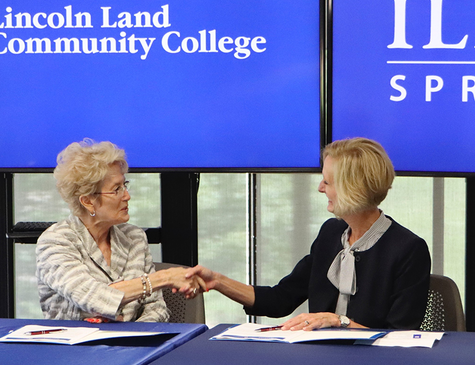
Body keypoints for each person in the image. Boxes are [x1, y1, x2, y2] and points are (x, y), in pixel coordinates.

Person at [185, 138, 430, 330]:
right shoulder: (330, 233)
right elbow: (280, 299)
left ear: (351, 189)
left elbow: (400, 335)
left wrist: (338, 322)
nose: (320, 188)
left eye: (327, 182)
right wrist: (217, 281)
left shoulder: (408, 249)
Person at [36, 140, 196, 321]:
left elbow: (156, 308)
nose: (127, 196)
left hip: (136, 345)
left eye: (125, 185)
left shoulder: (134, 238)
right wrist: (163, 278)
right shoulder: (56, 241)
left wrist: (132, 336)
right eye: (116, 189)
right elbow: (94, 297)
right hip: (75, 347)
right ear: (88, 201)